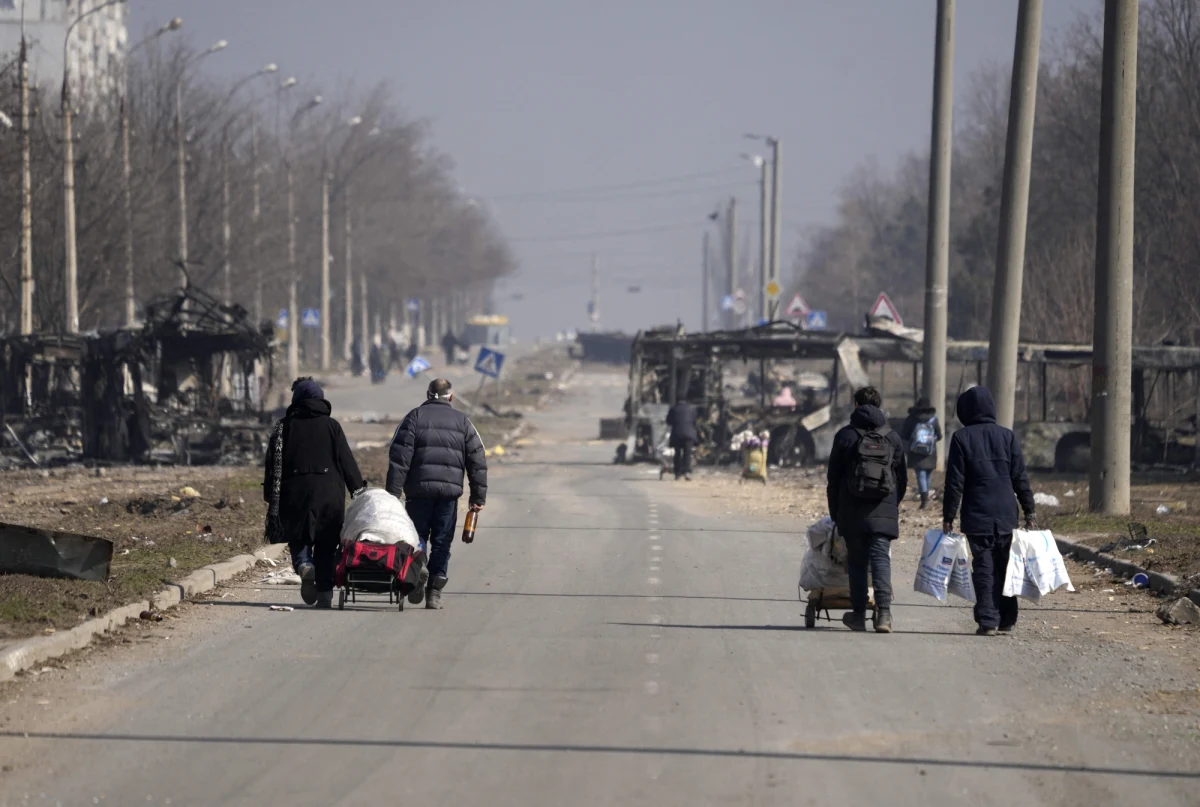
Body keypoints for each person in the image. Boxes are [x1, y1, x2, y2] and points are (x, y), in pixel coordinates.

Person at [941, 386, 1036, 637]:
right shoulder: (1008, 437)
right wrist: (1030, 510)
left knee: (983, 567)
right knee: (1006, 567)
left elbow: (955, 482)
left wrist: (948, 516)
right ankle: (1007, 618)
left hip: (977, 514)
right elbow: (1020, 478)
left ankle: (988, 620)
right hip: (1006, 513)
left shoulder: (962, 438)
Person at [386, 377, 487, 609]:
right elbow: (477, 461)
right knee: (442, 543)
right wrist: (477, 498)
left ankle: (418, 566)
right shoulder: (464, 422)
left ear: (427, 394)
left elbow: (398, 458)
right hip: (448, 496)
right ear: (450, 396)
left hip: (417, 493)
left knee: (417, 537)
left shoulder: (413, 418)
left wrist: (392, 495)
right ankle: (434, 593)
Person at [263, 378, 363, 608]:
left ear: (296, 399)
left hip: (295, 491)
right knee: (327, 543)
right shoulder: (332, 426)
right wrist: (358, 490)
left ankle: (304, 566)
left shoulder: (284, 426)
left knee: (299, 537)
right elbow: (346, 461)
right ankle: (325, 593)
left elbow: (272, 465)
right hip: (329, 493)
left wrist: (270, 493)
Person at [826, 386, 907, 633]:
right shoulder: (892, 437)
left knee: (857, 563)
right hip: (883, 510)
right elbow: (902, 479)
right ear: (879, 405)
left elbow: (834, 479)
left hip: (852, 512)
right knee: (881, 560)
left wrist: (835, 514)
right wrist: (892, 505)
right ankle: (884, 616)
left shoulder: (845, 436)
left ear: (855, 405)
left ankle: (859, 615)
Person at [900, 396, 942, 510]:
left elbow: (904, 434)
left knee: (920, 474)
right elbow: (939, 436)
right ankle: (926, 496)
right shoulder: (934, 420)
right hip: (931, 452)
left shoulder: (912, 419)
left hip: (915, 451)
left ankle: (924, 500)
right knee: (927, 474)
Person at [665, 399, 698, 480]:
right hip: (689, 434)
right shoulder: (691, 409)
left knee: (677, 453)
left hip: (677, 434)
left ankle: (677, 473)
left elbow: (668, 421)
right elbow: (694, 422)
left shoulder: (673, 409)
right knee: (687, 453)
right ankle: (687, 472)